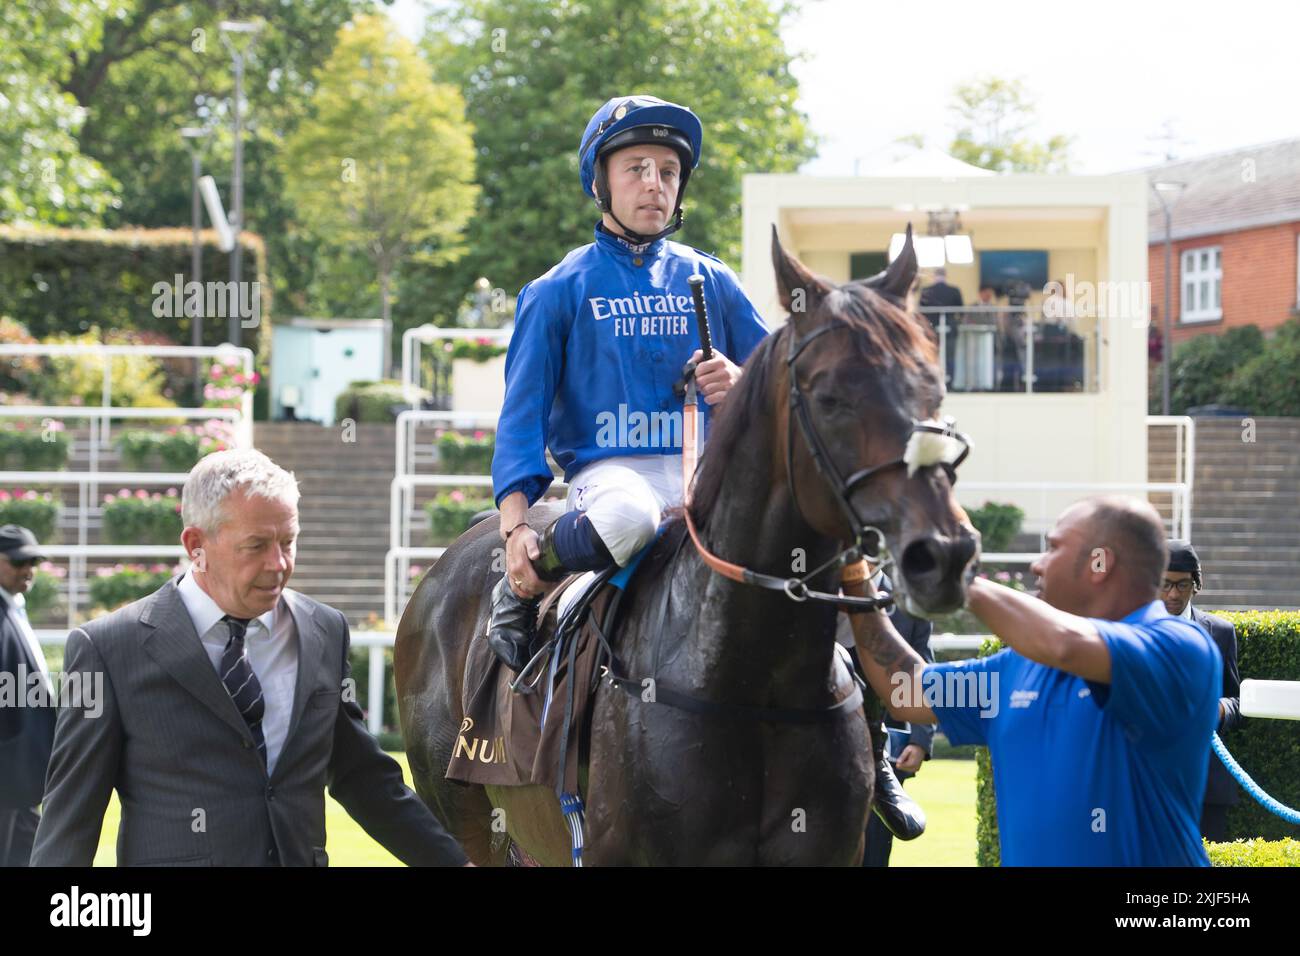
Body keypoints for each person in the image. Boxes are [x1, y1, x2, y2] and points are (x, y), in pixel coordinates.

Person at [32, 450, 469, 866]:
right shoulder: (108, 649)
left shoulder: (324, 630)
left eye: (289, 541)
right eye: (256, 545)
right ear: (195, 544)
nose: (279, 563)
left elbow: (361, 778)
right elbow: (71, 820)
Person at [487, 94, 770, 672]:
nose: (654, 185)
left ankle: (869, 732)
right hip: (613, 479)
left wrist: (742, 382)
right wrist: (516, 528)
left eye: (668, 172)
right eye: (636, 169)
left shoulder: (713, 279)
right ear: (602, 182)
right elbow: (521, 420)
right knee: (630, 521)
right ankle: (527, 586)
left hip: (707, 477)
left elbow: (781, 386)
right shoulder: (554, 290)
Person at [845, 496, 1221, 865]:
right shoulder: (1018, 665)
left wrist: (957, 574)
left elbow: (1064, 644)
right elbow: (905, 690)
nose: (1036, 564)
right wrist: (856, 579)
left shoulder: (1177, 649)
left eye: (1053, 548)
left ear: (1100, 562)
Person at [837, 570, 934, 866]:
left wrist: (920, 739)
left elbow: (922, 670)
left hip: (885, 740)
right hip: (814, 736)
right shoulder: (806, 590)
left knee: (874, 851)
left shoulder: (909, 600)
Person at [1162, 539, 1241, 842]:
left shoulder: (1221, 632)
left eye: (1182, 585)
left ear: (1196, 585)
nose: (1173, 594)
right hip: (1146, 780)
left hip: (1207, 785)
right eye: (1166, 584)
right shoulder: (1132, 631)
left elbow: (1237, 700)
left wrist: (1221, 709)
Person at [0, 526, 56, 866]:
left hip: (22, 775)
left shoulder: (13, 606)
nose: (28, 570)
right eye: (19, 561)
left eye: (33, 561)